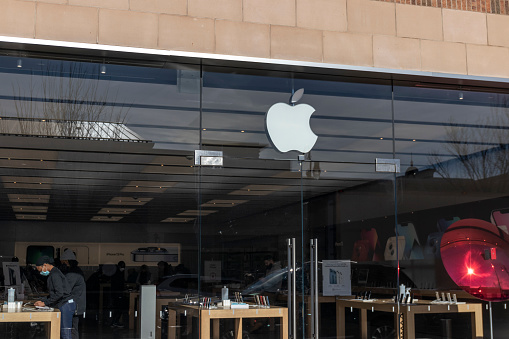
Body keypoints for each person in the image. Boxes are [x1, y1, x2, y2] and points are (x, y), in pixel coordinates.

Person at [34, 256, 76, 339]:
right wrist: (43, 300)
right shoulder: (54, 273)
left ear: (45, 265)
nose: (40, 272)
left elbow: (59, 293)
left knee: (65, 333)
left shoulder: (55, 275)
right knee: (63, 332)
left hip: (66, 305)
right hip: (64, 304)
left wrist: (45, 303)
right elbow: (55, 294)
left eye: (40, 269)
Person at [60, 249, 86, 339]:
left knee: (72, 330)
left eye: (63, 262)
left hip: (74, 306)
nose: (62, 264)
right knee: (73, 329)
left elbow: (64, 289)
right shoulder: (75, 271)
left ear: (67, 262)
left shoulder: (73, 273)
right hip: (75, 306)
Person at [110, 261, 126, 328]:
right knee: (119, 308)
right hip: (118, 292)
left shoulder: (115, 272)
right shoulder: (119, 273)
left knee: (116, 308)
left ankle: (114, 321)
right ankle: (115, 321)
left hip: (115, 292)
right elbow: (120, 283)